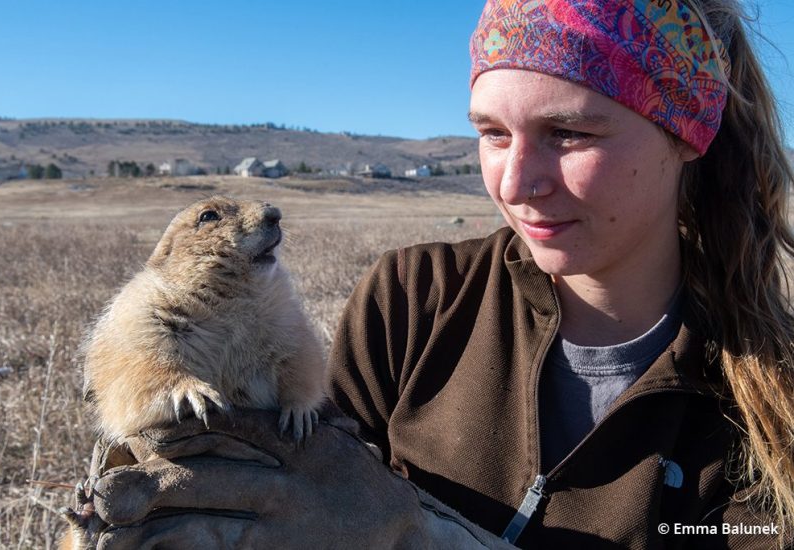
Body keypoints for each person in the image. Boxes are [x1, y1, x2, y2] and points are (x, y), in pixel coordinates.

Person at [66, 0, 794, 548]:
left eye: (569, 132)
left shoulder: (770, 405)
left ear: (686, 133)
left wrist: (411, 535)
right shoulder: (413, 302)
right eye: (491, 133)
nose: (516, 182)